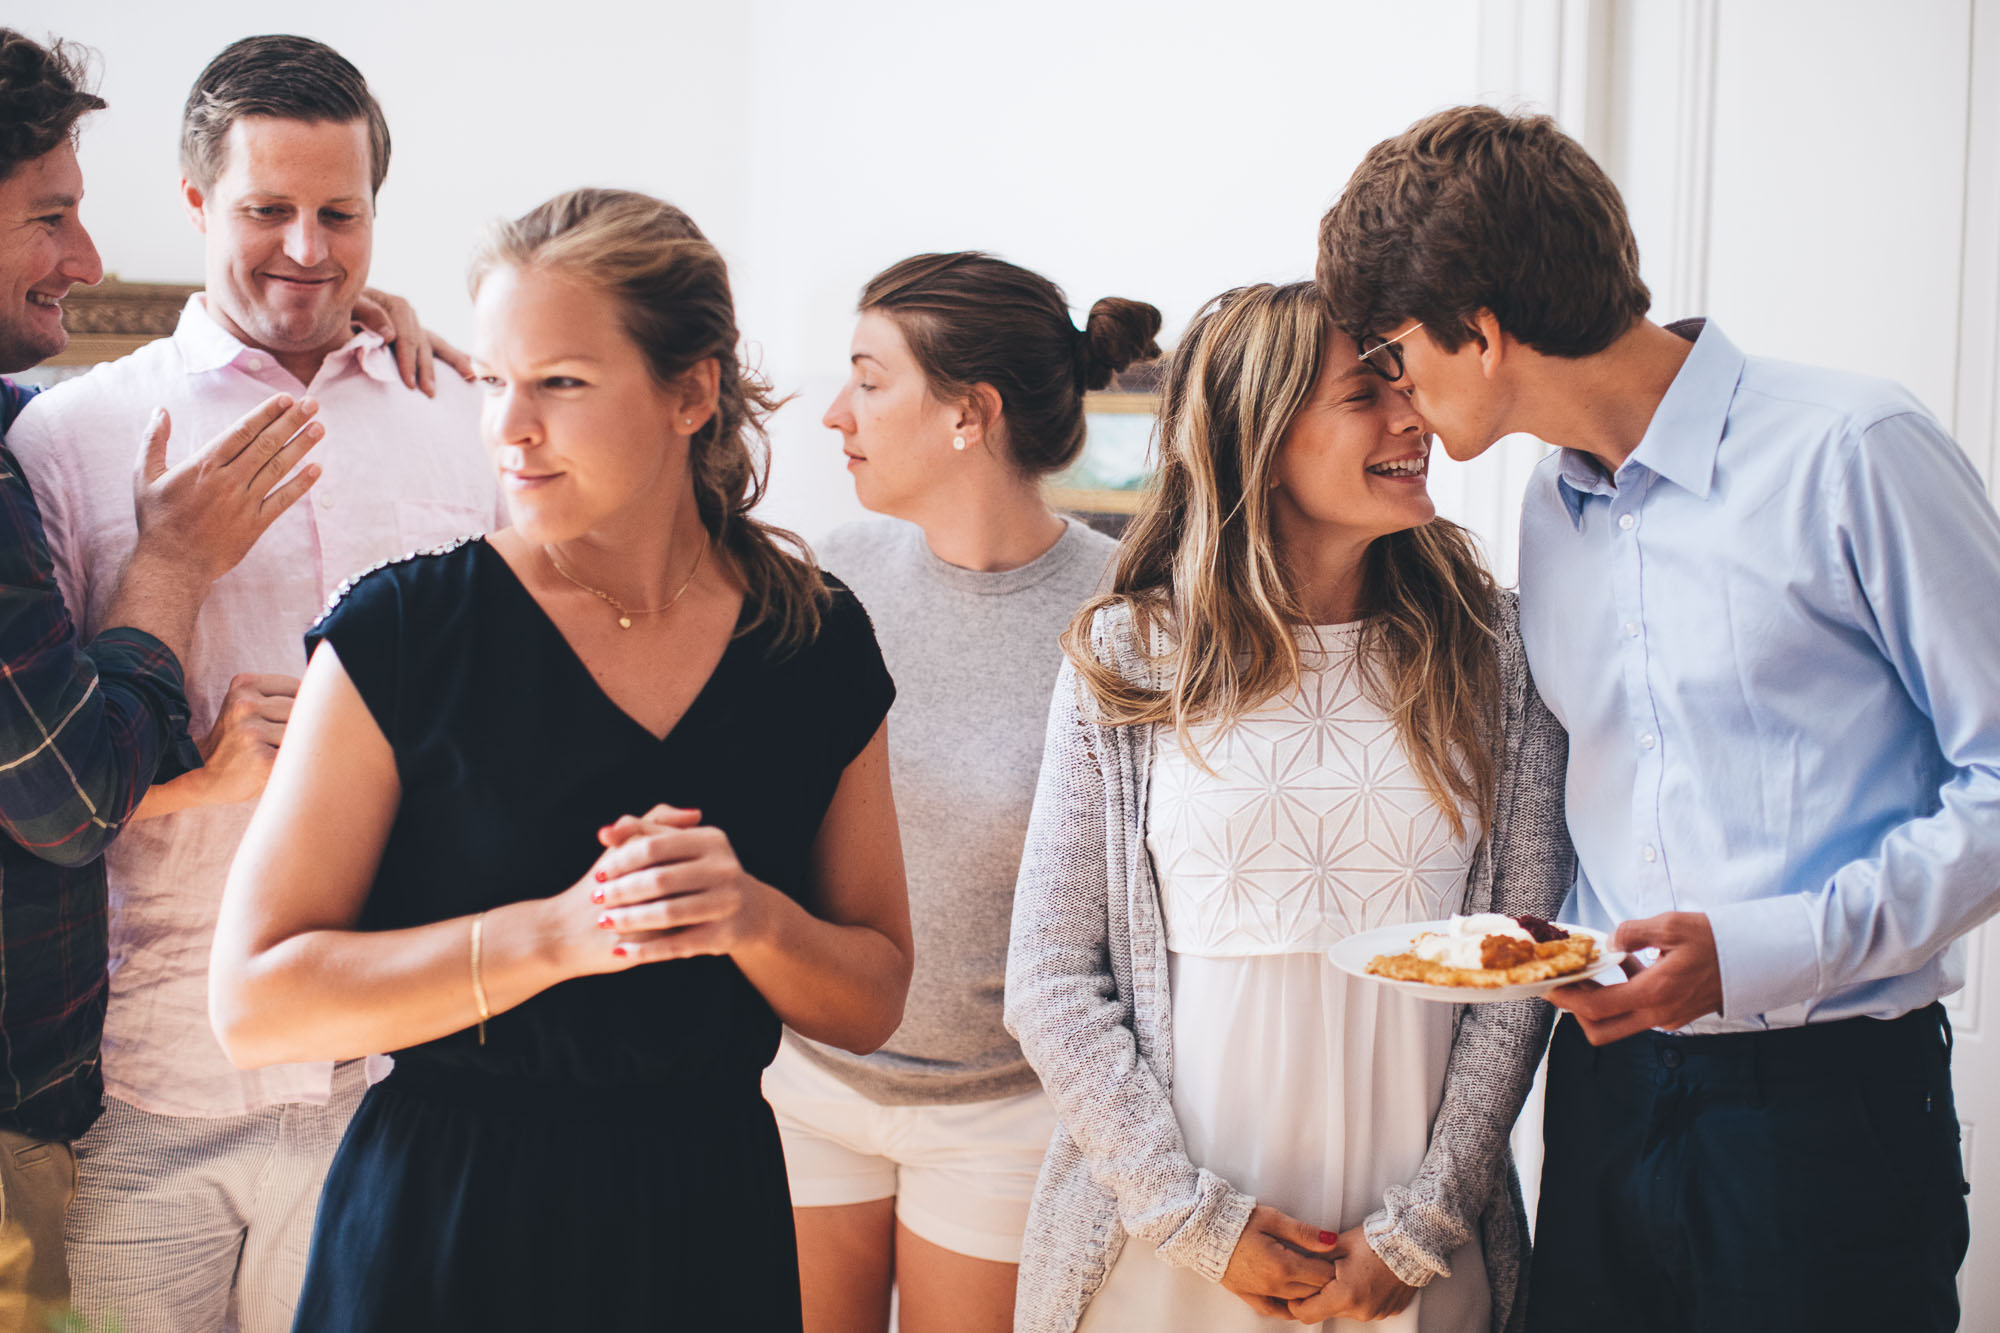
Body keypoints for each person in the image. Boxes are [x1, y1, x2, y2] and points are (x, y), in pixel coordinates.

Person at [1317, 104, 1997, 1332]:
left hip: (1824, 1111)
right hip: (1604, 1093)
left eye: (1391, 349)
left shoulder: (1852, 449)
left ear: (1478, 333)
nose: (1393, 389)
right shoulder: (1545, 509)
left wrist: (1761, 947)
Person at [207, 186, 913, 1332]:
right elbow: (254, 1003)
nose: (508, 428)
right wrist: (553, 936)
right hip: (446, 1225)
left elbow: (874, 992)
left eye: (561, 384)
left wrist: (751, 919)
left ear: (692, 391)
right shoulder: (401, 635)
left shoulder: (815, 640)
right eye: (493, 381)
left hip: (708, 1227)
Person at [6, 34, 500, 1332]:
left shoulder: (459, 411)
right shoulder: (66, 438)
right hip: (144, 1090)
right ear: (192, 206)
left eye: (340, 214)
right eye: (265, 210)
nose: (306, 249)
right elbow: (37, 769)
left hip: (395, 1073)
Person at [1005, 280, 1573, 1333]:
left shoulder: (1496, 655)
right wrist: (1192, 1219)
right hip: (1166, 1253)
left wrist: (1417, 1230)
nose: (1414, 418)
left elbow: (1519, 965)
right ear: (1259, 439)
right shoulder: (1130, 655)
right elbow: (1046, 978)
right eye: (1367, 395)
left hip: (1411, 1255)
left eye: (1405, 386)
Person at [776, 252, 1147, 1333]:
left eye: (869, 379)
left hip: (1004, 1113)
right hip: (807, 1084)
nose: (836, 413)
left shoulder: (1118, 613)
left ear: (967, 414)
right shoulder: (824, 576)